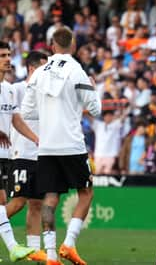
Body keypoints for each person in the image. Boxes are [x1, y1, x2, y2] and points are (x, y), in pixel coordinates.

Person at [21, 28, 102, 265]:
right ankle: (69, 243)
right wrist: (93, 89)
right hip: (71, 144)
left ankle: (52, 256)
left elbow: (26, 112)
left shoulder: (37, 74)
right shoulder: (77, 71)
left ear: (51, 46)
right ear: (73, 46)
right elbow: (96, 110)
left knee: (50, 198)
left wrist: (47, 112)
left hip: (46, 147)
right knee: (86, 193)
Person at [7, 51, 49, 263]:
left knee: (36, 205)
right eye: (44, 67)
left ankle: (35, 253)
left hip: (42, 156)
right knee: (18, 202)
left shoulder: (47, 94)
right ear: (33, 69)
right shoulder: (16, 90)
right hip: (21, 153)